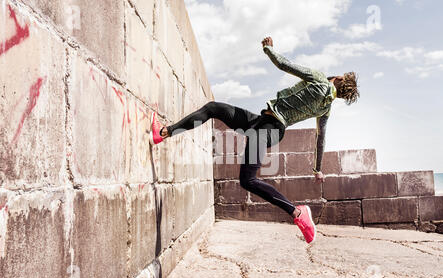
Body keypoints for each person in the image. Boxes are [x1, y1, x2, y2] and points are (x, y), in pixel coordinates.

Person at [147, 37, 360, 244]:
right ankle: (163, 133)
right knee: (214, 108)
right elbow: (320, 137)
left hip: (269, 127)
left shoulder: (320, 79)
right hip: (261, 122)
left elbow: (284, 64)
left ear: (339, 79)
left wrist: (269, 49)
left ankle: (298, 213)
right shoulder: (326, 108)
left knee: (248, 180)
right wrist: (317, 169)